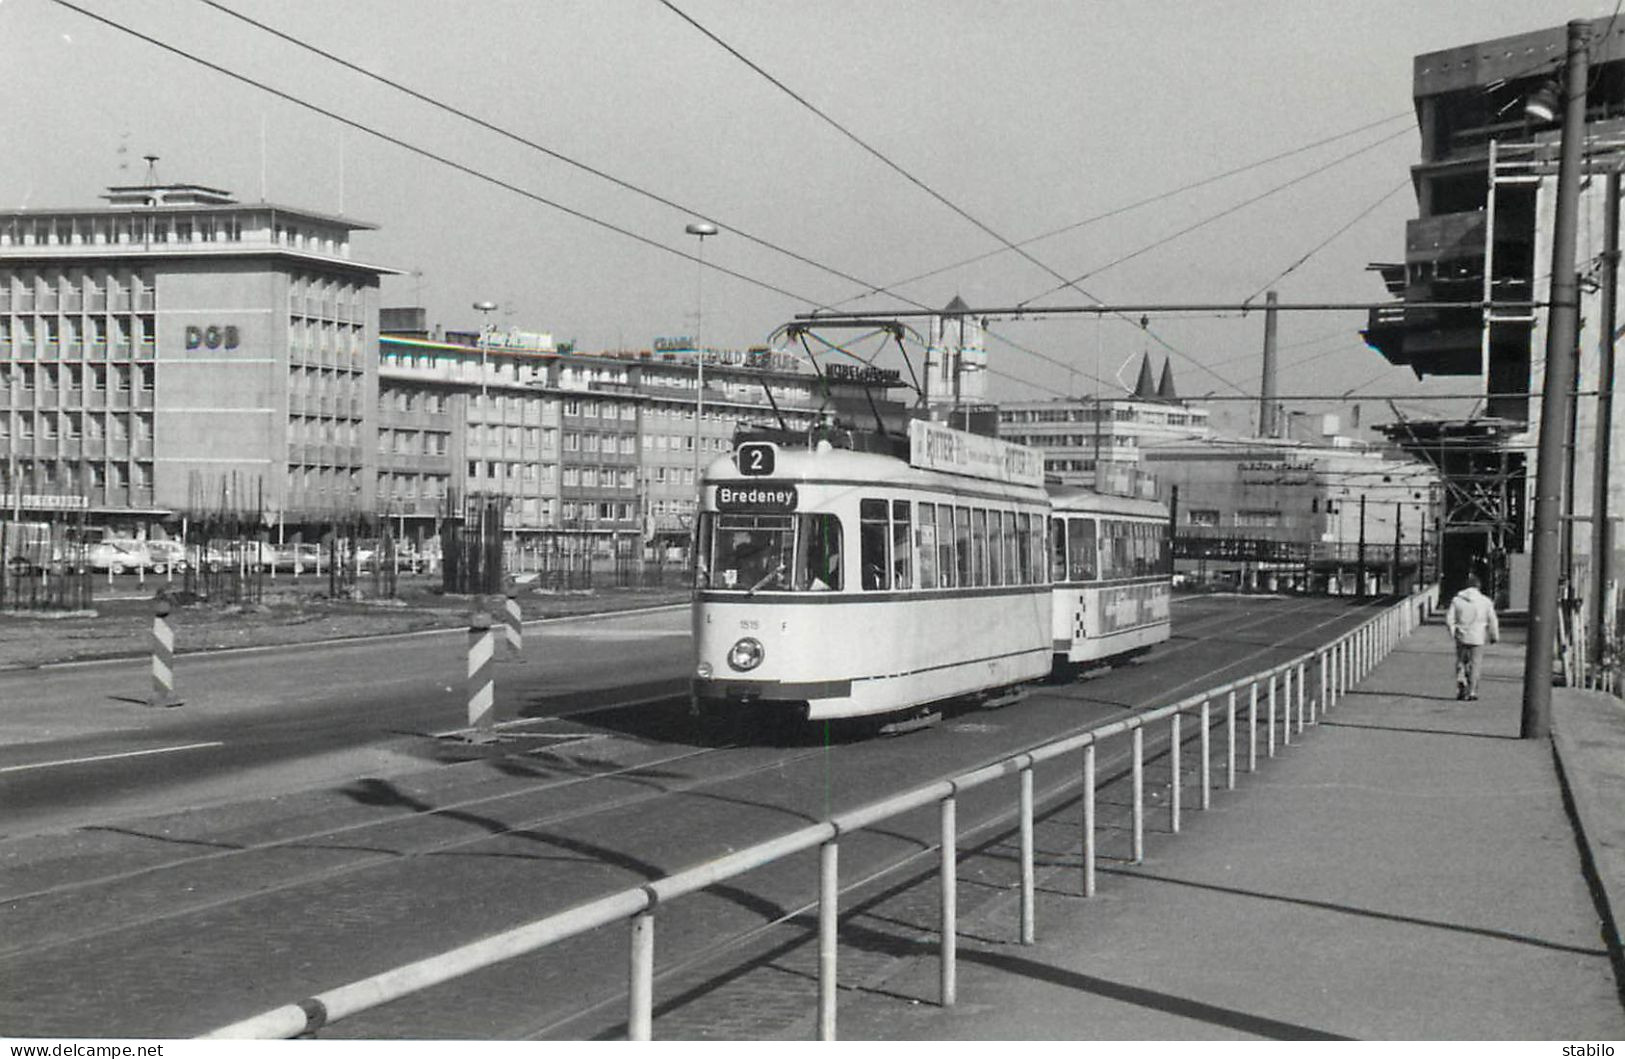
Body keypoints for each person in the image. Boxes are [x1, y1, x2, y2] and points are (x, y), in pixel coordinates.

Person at [1445, 572, 1499, 700]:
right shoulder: (1485, 601)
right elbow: (1492, 620)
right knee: (1475, 664)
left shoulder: (1457, 600)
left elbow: (1449, 619)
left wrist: (1453, 631)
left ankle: (1461, 684)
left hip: (1461, 636)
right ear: (1478, 587)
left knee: (1461, 662)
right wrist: (1494, 635)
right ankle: (1472, 691)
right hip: (1478, 637)